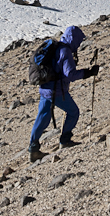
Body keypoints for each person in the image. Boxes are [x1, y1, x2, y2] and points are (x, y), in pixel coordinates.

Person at [27, 25, 98, 162]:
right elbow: (70, 74)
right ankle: (65, 140)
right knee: (73, 112)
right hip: (57, 91)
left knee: (42, 118)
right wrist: (88, 73)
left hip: (45, 88)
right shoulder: (65, 51)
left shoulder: (57, 47)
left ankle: (33, 149)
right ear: (74, 39)